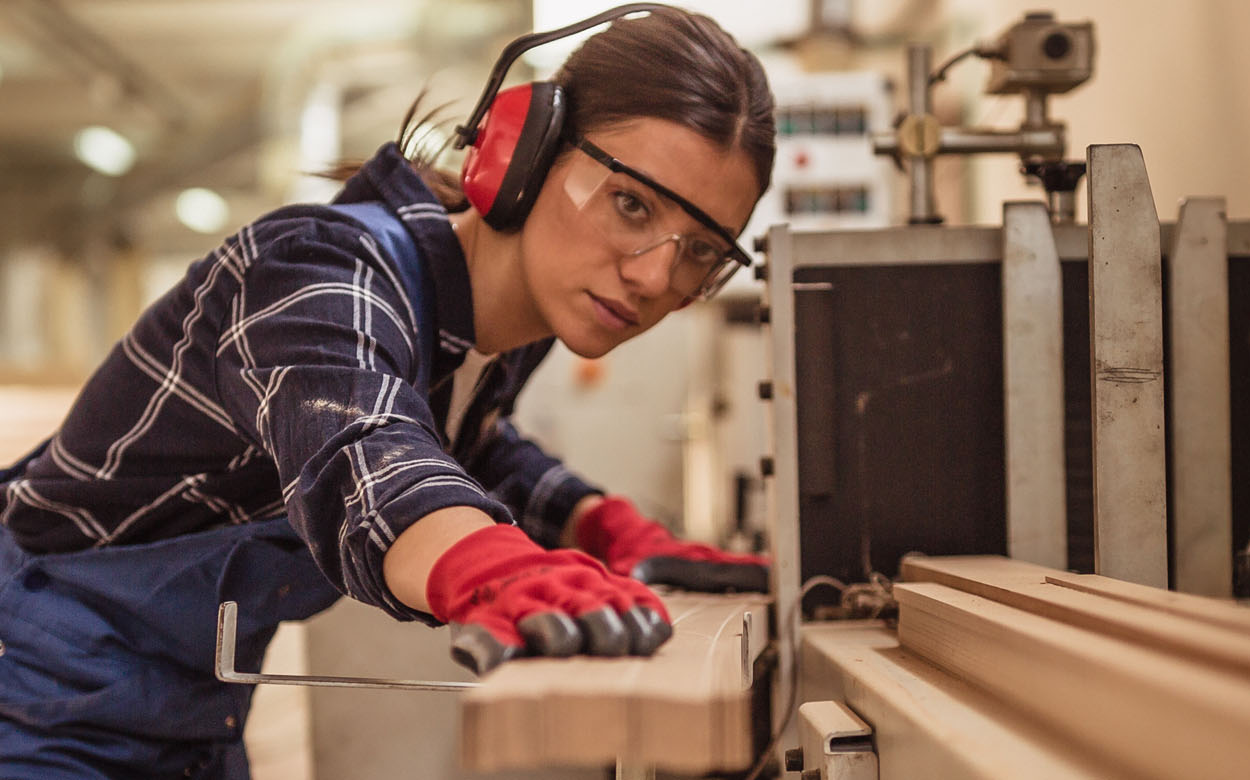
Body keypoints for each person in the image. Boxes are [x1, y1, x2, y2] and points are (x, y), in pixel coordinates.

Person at [0, 5, 775, 777]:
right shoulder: (316, 267)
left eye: (699, 251)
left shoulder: (494, 331)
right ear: (522, 151)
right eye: (631, 204)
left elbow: (466, 442)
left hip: (177, 706)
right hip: (31, 689)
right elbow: (365, 450)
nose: (653, 276)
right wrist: (496, 570)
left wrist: (599, 525)